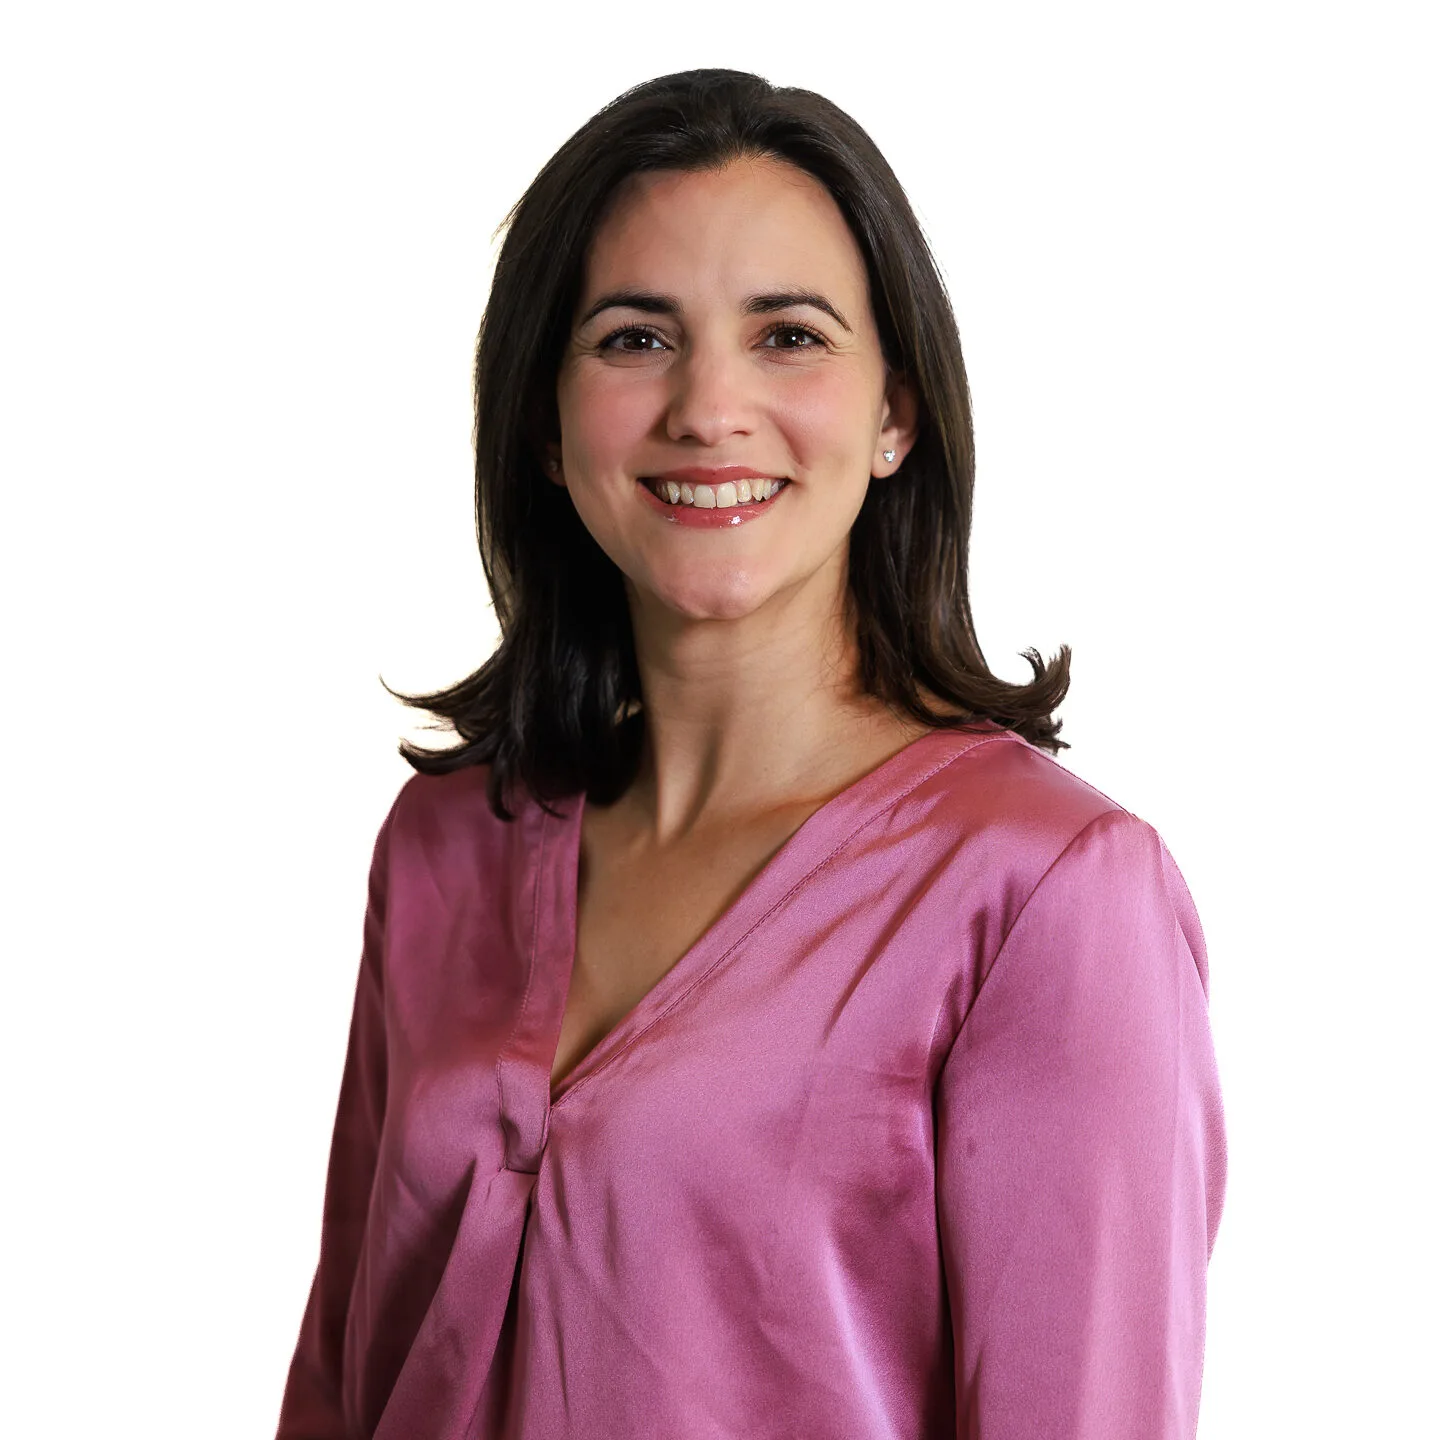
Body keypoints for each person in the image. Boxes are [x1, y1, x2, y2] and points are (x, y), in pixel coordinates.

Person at [275, 68, 1226, 1440]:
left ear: (896, 412)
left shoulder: (1050, 893)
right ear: (544, 423)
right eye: (633, 339)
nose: (708, 410)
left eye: (787, 336)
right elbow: (339, 1377)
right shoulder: (442, 848)